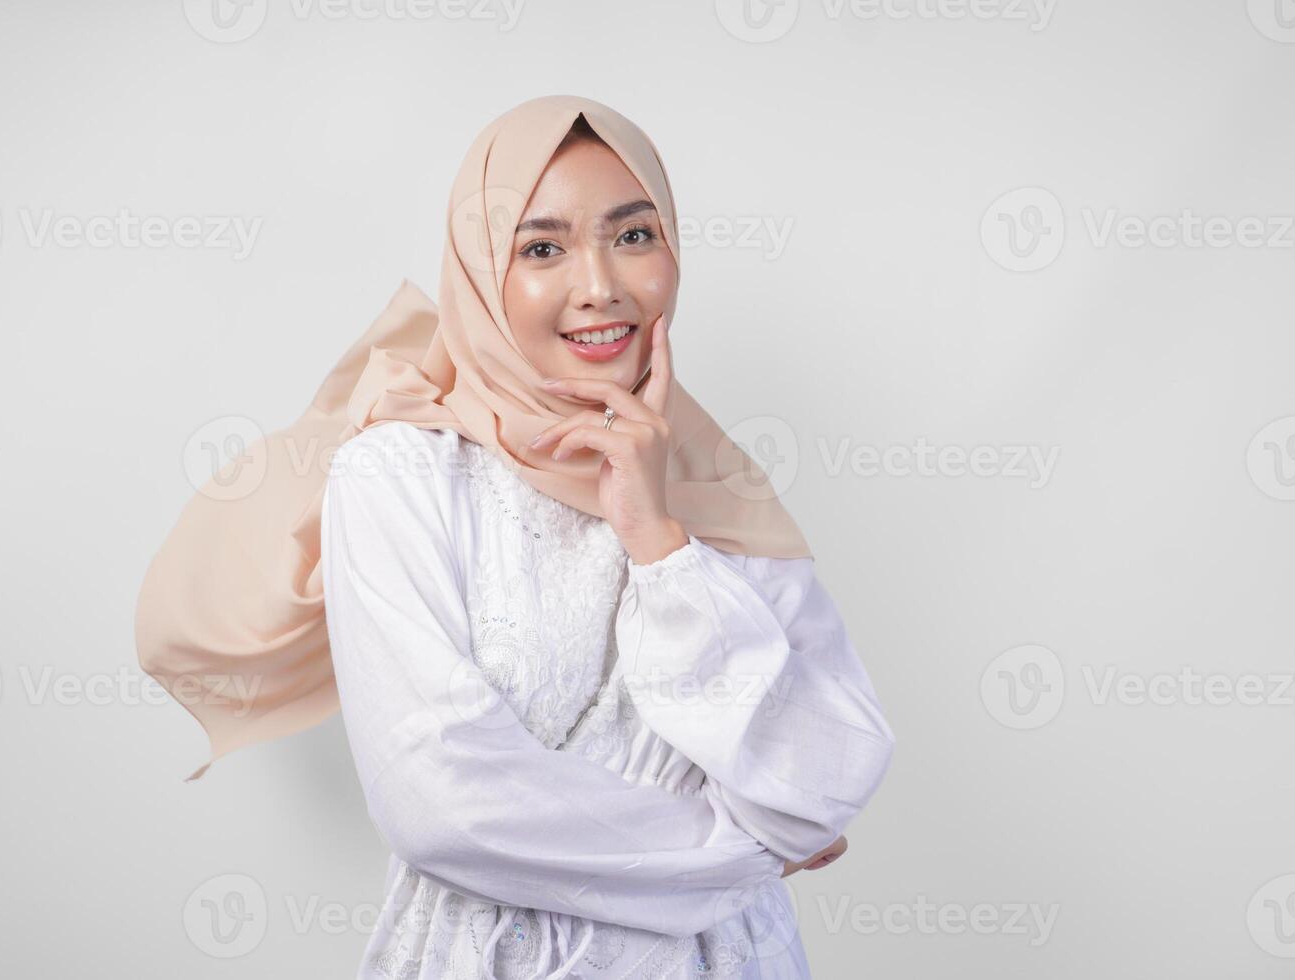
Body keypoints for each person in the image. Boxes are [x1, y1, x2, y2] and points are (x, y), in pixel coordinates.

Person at [135, 94, 895, 979]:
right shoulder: (398, 475)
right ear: (480, 271)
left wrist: (657, 539)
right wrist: (744, 847)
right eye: (542, 249)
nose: (601, 285)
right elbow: (443, 803)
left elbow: (831, 770)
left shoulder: (713, 482)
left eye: (635, 234)